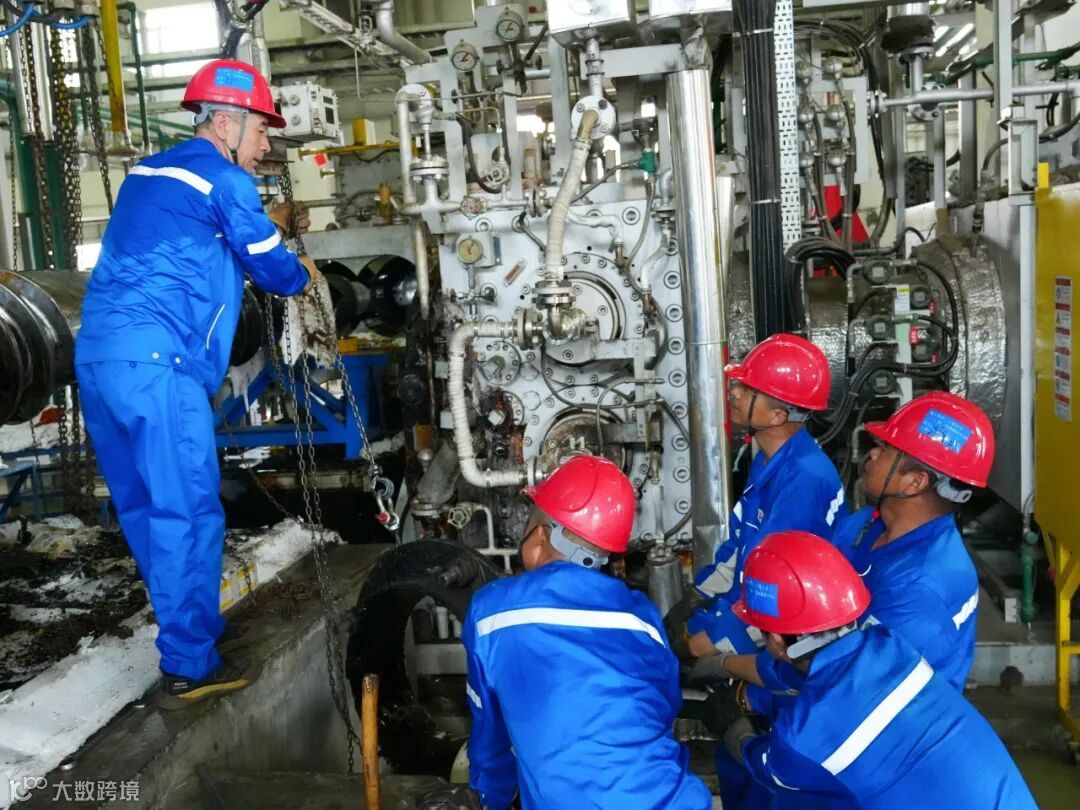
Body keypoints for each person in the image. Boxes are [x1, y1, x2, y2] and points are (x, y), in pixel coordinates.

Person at [76, 59, 318, 709]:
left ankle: (191, 631)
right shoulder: (225, 179)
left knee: (145, 509)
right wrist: (305, 274)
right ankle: (189, 663)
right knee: (186, 508)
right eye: (262, 131)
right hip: (161, 366)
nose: (265, 146)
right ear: (227, 121)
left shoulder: (146, 174)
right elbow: (274, 270)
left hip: (99, 360)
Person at [462, 455, 712, 810]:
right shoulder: (640, 614)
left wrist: (488, 800)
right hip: (675, 799)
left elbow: (490, 741)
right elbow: (663, 705)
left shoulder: (492, 613)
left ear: (540, 536)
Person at [724, 530, 1037, 809]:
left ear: (777, 641)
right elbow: (827, 687)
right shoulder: (892, 647)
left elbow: (767, 765)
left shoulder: (802, 739)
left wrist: (733, 728)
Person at [722, 391, 994, 710]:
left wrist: (746, 689)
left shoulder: (924, 587)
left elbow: (854, 684)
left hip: (889, 723)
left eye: (885, 450)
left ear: (914, 483)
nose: (872, 455)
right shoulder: (865, 525)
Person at [680, 333, 845, 659]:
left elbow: (776, 594)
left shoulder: (804, 482)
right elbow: (739, 548)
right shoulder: (771, 460)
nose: (734, 392)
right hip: (748, 607)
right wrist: (697, 598)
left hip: (781, 636)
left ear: (777, 416)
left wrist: (703, 645)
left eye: (747, 389)